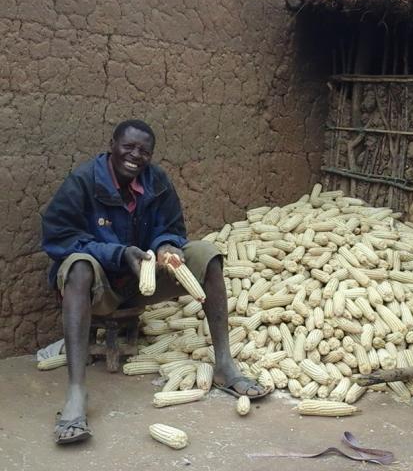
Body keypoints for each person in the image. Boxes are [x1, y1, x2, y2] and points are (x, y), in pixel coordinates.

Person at [41, 119, 267, 445]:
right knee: (77, 266)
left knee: (208, 255)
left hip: (141, 281)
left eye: (144, 151)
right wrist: (119, 254)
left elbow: (173, 226)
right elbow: (58, 239)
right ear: (112, 145)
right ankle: (76, 394)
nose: (135, 156)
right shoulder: (83, 182)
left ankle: (224, 366)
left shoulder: (156, 181)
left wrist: (165, 245)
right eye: (128, 147)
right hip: (98, 285)